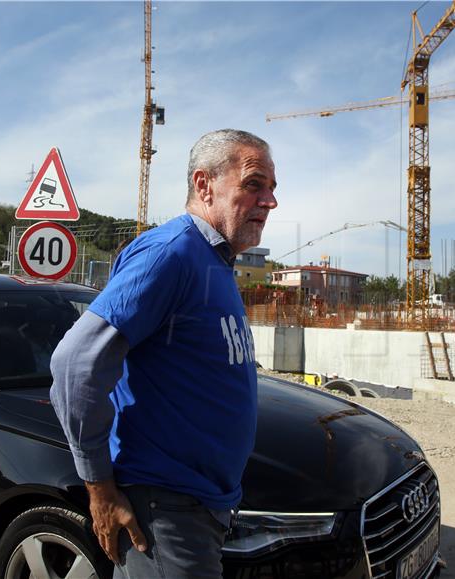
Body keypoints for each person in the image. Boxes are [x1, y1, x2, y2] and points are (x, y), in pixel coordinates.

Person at [50, 129, 278, 577]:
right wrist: (99, 487)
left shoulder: (216, 261)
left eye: (271, 189)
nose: (269, 201)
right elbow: (76, 363)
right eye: (254, 184)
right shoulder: (170, 254)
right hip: (165, 512)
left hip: (199, 507)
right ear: (204, 185)